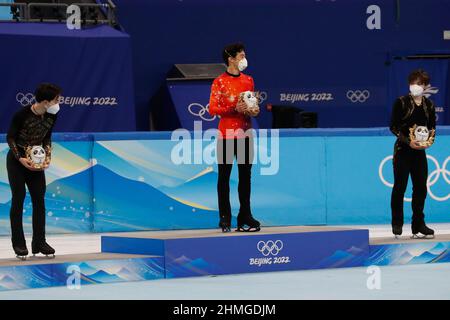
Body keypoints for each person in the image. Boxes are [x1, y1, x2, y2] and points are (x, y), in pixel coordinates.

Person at [208, 42, 261, 233]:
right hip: (226, 135)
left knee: (245, 177)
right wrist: (233, 108)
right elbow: (212, 108)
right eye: (241, 56)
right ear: (230, 59)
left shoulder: (248, 80)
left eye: (244, 55)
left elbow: (252, 104)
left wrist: (253, 110)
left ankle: (245, 214)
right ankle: (225, 217)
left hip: (246, 133)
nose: (244, 59)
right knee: (224, 176)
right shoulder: (220, 82)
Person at [6, 83, 61, 259]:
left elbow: (47, 138)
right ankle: (19, 245)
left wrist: (47, 157)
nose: (58, 102)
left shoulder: (52, 115)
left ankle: (39, 243)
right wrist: (20, 158)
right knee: (19, 198)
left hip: (36, 161)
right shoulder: (21, 115)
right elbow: (11, 137)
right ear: (45, 102)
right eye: (56, 100)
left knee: (39, 200)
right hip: (17, 161)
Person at [389, 69, 436, 238]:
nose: (416, 86)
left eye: (419, 84)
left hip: (419, 153)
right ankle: (397, 222)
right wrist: (409, 142)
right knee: (400, 187)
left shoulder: (429, 105)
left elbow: (432, 128)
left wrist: (428, 141)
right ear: (410, 85)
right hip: (403, 150)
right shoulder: (401, 102)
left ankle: (418, 224)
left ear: (425, 86)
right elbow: (393, 127)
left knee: (421, 188)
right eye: (413, 83)